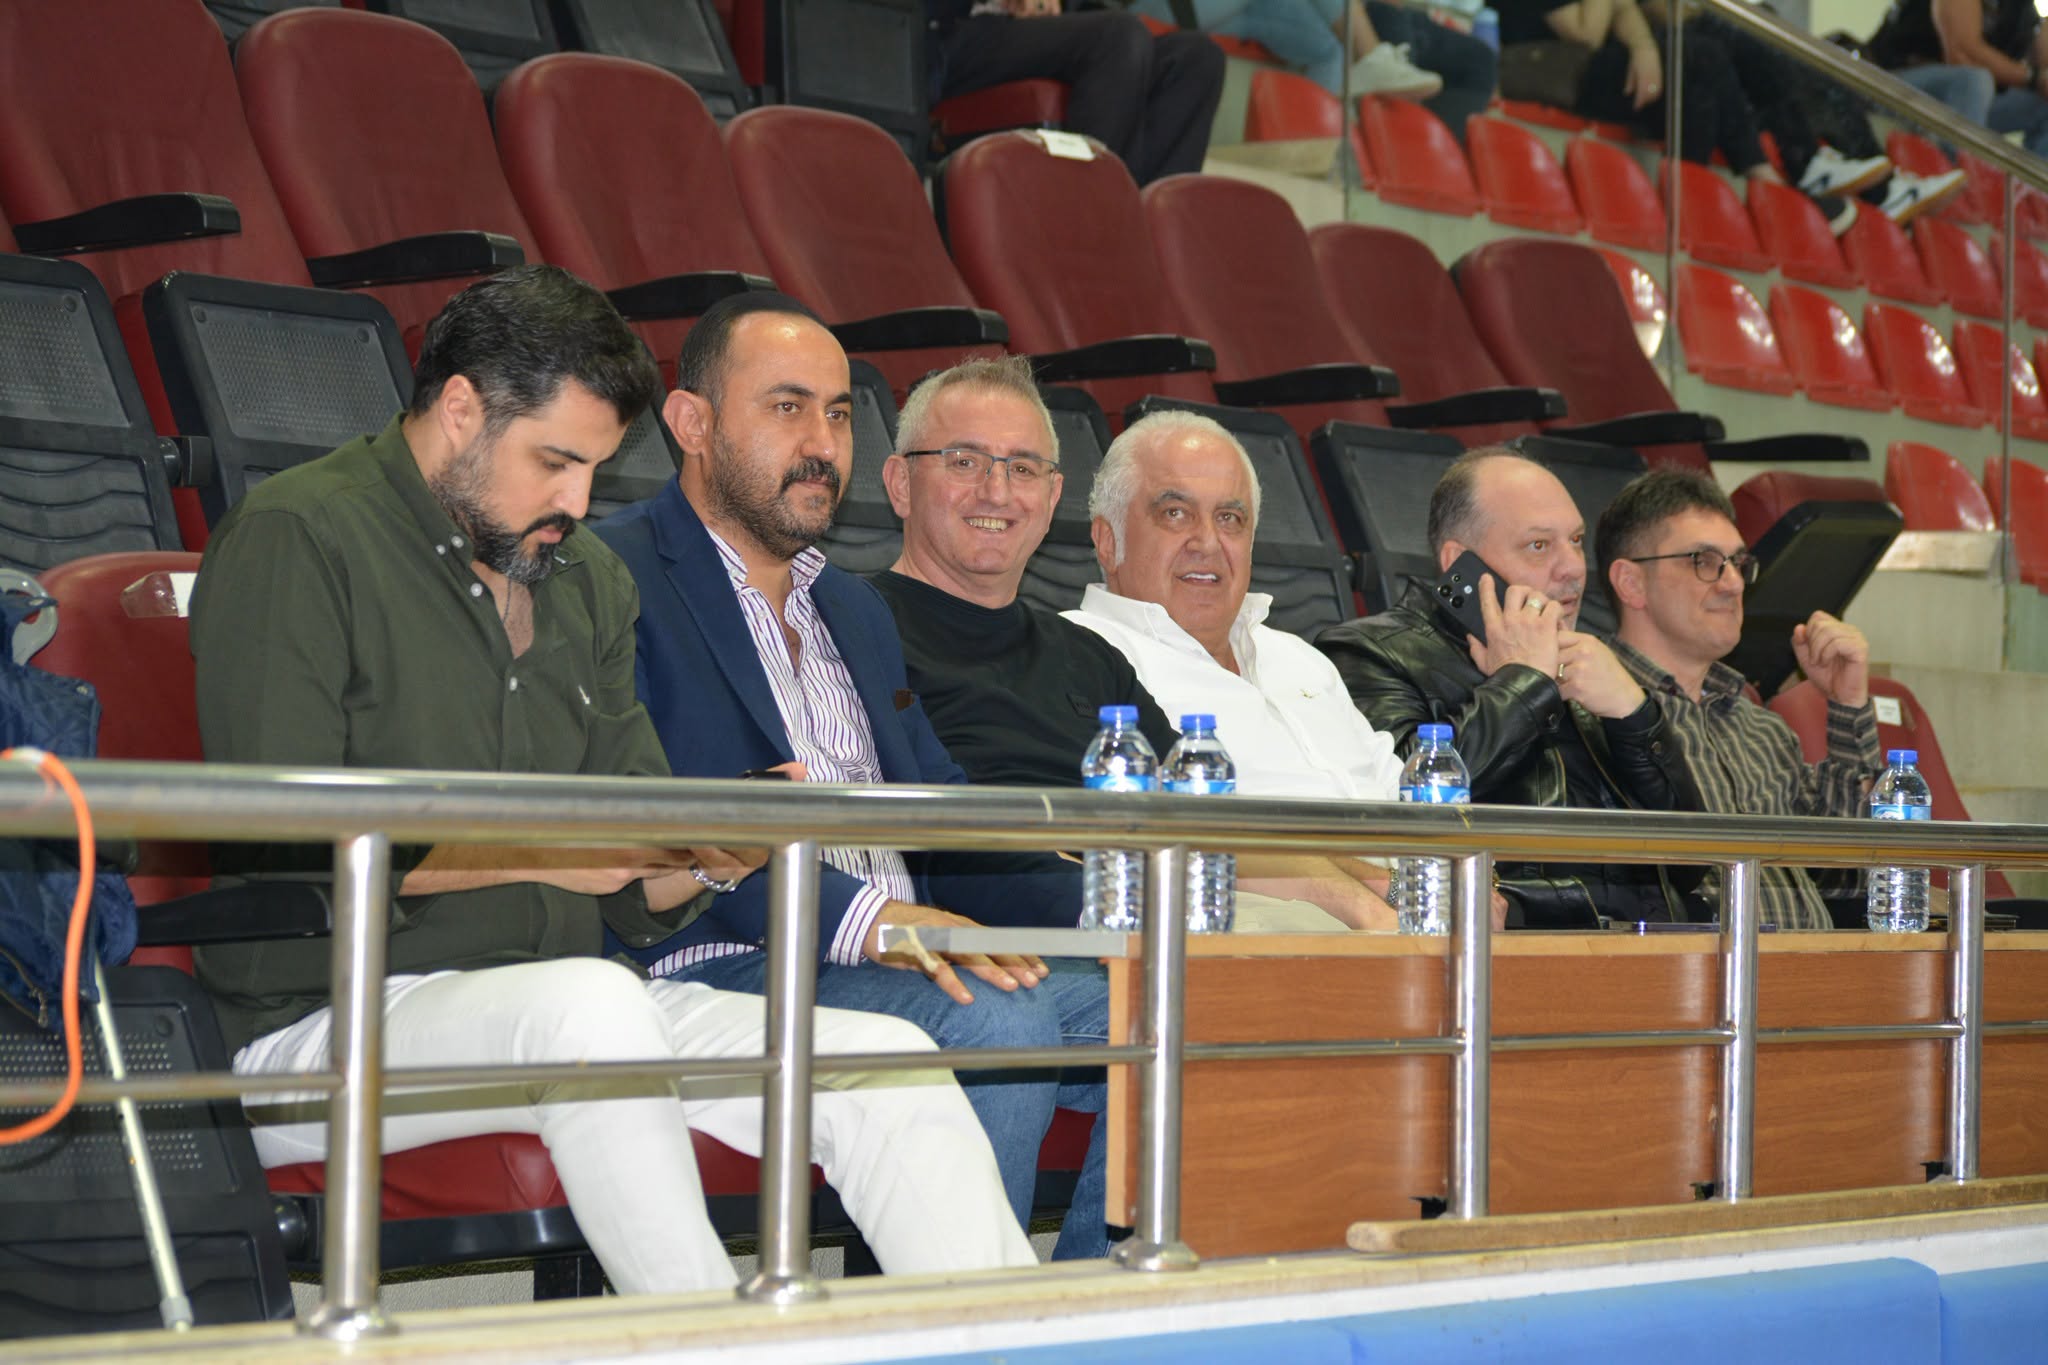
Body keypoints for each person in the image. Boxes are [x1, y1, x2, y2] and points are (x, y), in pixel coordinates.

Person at [188, 267, 1035, 1294]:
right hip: (323, 1019)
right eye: (554, 462)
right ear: (460, 412)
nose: (578, 503)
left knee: (884, 1066)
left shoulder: (585, 575)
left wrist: (720, 843)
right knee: (591, 1005)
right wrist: (552, 848)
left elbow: (639, 881)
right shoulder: (302, 533)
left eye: (592, 468)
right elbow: (280, 839)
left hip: (573, 1005)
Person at [595, 295, 1112, 1259]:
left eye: (837, 413)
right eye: (787, 407)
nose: (821, 444)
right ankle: (962, 1323)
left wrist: (1114, 912)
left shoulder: (852, 606)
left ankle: (1097, 1308)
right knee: (1000, 1014)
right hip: (716, 956)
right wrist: (881, 922)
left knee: (1172, 1002)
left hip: (889, 948)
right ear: (692, 423)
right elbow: (668, 828)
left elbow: (946, 815)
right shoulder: (613, 575)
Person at [871, 365, 1403, 932]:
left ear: (1051, 498)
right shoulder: (853, 627)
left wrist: (1376, 905)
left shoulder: (1087, 654)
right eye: (964, 462)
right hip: (1055, 931)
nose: (997, 492)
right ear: (901, 484)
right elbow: (934, 846)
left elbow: (1213, 826)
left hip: (1153, 918)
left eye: (1022, 468)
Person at [1316, 447, 1703, 926]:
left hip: (1650, 943)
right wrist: (1523, 683)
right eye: (1539, 546)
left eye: (1576, 540)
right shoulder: (1365, 653)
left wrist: (1634, 714)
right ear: (1460, 564)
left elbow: (1692, 864)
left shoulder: (1589, 662)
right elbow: (1403, 815)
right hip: (1507, 947)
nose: (1573, 568)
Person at [1599, 469, 1883, 930]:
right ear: (1631, 583)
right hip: (1692, 970)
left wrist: (1847, 706)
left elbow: (1846, 877)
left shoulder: (1760, 727)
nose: (1733, 583)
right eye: (1704, 561)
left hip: (1811, 967)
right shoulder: (1594, 716)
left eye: (1737, 562)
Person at [1497, 0, 1888, 230]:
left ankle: (1697, 201)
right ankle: (1741, 185)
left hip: (1595, 67)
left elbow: (1625, 11)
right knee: (1699, 57)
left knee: (1704, 69)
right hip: (1549, 68)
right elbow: (1587, 33)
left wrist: (1644, 47)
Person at [926, 0, 1225, 185]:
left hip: (1043, 29)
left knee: (1197, 58)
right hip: (954, 30)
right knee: (1117, 36)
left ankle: (1148, 233)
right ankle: (1090, 216)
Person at [1132, 0, 1498, 140]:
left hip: (1233, 12)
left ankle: (1312, 154)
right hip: (1162, 6)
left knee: (1329, 44)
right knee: (1343, 36)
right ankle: (1372, 56)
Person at [1867, 0, 2048, 160]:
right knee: (1974, 79)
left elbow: (2042, 58)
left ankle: (2035, 186)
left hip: (1961, 103)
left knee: (2042, 104)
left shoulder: (2021, 9)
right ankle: (1959, 174)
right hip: (1888, 87)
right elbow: (1962, 55)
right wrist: (2033, 78)